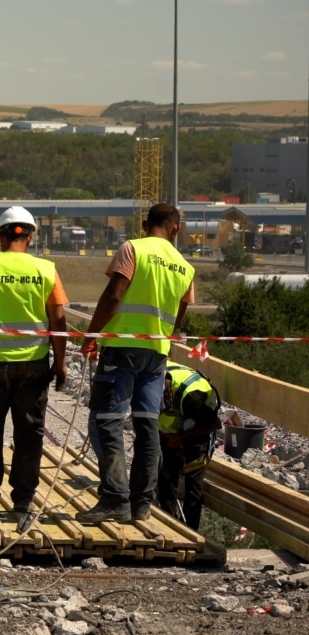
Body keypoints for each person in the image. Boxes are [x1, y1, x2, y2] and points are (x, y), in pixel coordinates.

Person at [77, 203, 195, 524]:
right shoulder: (185, 268)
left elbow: (114, 296)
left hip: (122, 349)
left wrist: (91, 334)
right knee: (147, 427)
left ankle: (115, 498)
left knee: (108, 421)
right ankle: (141, 505)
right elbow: (178, 321)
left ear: (145, 224)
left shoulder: (133, 250)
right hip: (156, 355)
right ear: (175, 228)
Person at [0, 206, 69, 519]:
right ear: (31, 236)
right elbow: (58, 318)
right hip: (34, 366)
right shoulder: (46, 269)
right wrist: (59, 363)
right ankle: (22, 502)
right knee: (29, 434)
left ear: (0, 235)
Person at [157, 363, 222, 530]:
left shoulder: (192, 399)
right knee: (164, 477)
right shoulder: (149, 380)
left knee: (193, 486)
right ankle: (170, 525)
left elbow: (215, 424)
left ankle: (191, 531)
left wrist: (180, 439)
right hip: (172, 432)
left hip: (198, 431)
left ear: (169, 396)